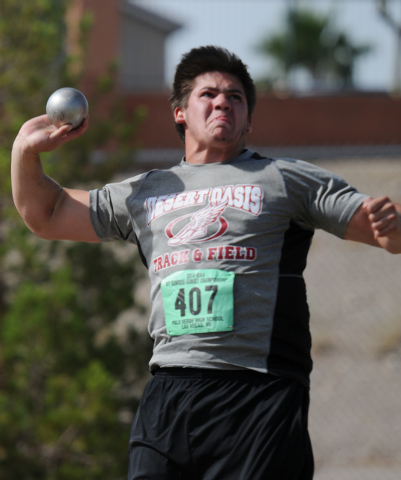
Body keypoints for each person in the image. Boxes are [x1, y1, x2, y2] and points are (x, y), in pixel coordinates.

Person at [11, 46, 401, 480]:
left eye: (235, 97)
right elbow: (45, 214)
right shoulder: (147, 192)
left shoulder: (286, 179)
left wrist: (389, 228)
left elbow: (379, 224)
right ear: (180, 112)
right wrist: (25, 152)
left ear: (249, 119)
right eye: (209, 94)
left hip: (259, 392)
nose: (223, 102)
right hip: (170, 392)